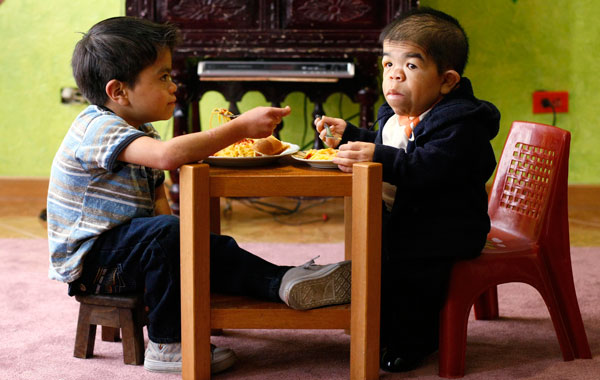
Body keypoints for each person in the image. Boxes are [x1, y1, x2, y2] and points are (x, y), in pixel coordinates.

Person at [47, 16, 351, 375]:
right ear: (118, 91)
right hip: (94, 265)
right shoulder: (96, 126)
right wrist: (238, 127)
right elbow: (169, 158)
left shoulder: (140, 132)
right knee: (169, 236)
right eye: (163, 77)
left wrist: (191, 246)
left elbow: (157, 201)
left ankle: (284, 281)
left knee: (202, 243)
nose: (174, 85)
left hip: (128, 248)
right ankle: (168, 344)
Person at [314, 7, 500, 372]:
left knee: (409, 274)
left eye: (411, 67)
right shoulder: (398, 113)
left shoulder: (460, 125)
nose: (394, 75)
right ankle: (381, 323)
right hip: (407, 217)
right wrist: (352, 136)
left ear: (447, 81)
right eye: (388, 65)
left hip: (447, 228)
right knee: (373, 260)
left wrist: (378, 155)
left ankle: (417, 340)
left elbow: (427, 166)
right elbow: (394, 147)